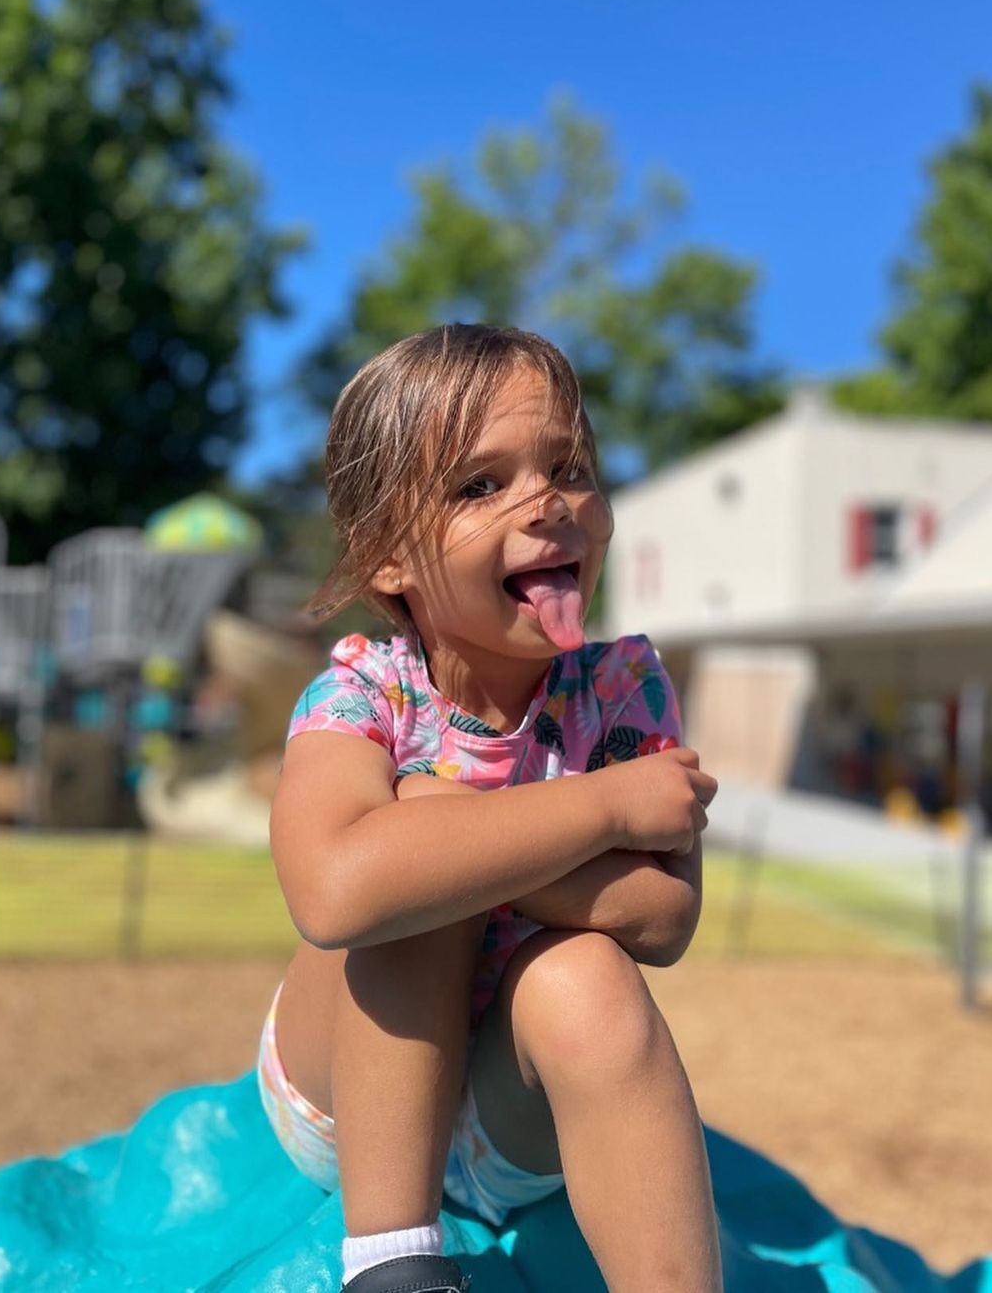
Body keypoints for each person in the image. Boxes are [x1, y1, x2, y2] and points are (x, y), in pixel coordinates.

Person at [262, 324, 722, 1293]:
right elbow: (335, 891)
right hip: (346, 1106)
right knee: (411, 881)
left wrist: (445, 825)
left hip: (512, 1124)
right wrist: (604, 810)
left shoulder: (622, 688)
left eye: (570, 467)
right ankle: (391, 1265)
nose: (548, 502)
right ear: (387, 557)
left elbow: (663, 917)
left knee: (577, 962)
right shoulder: (366, 693)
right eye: (481, 484)